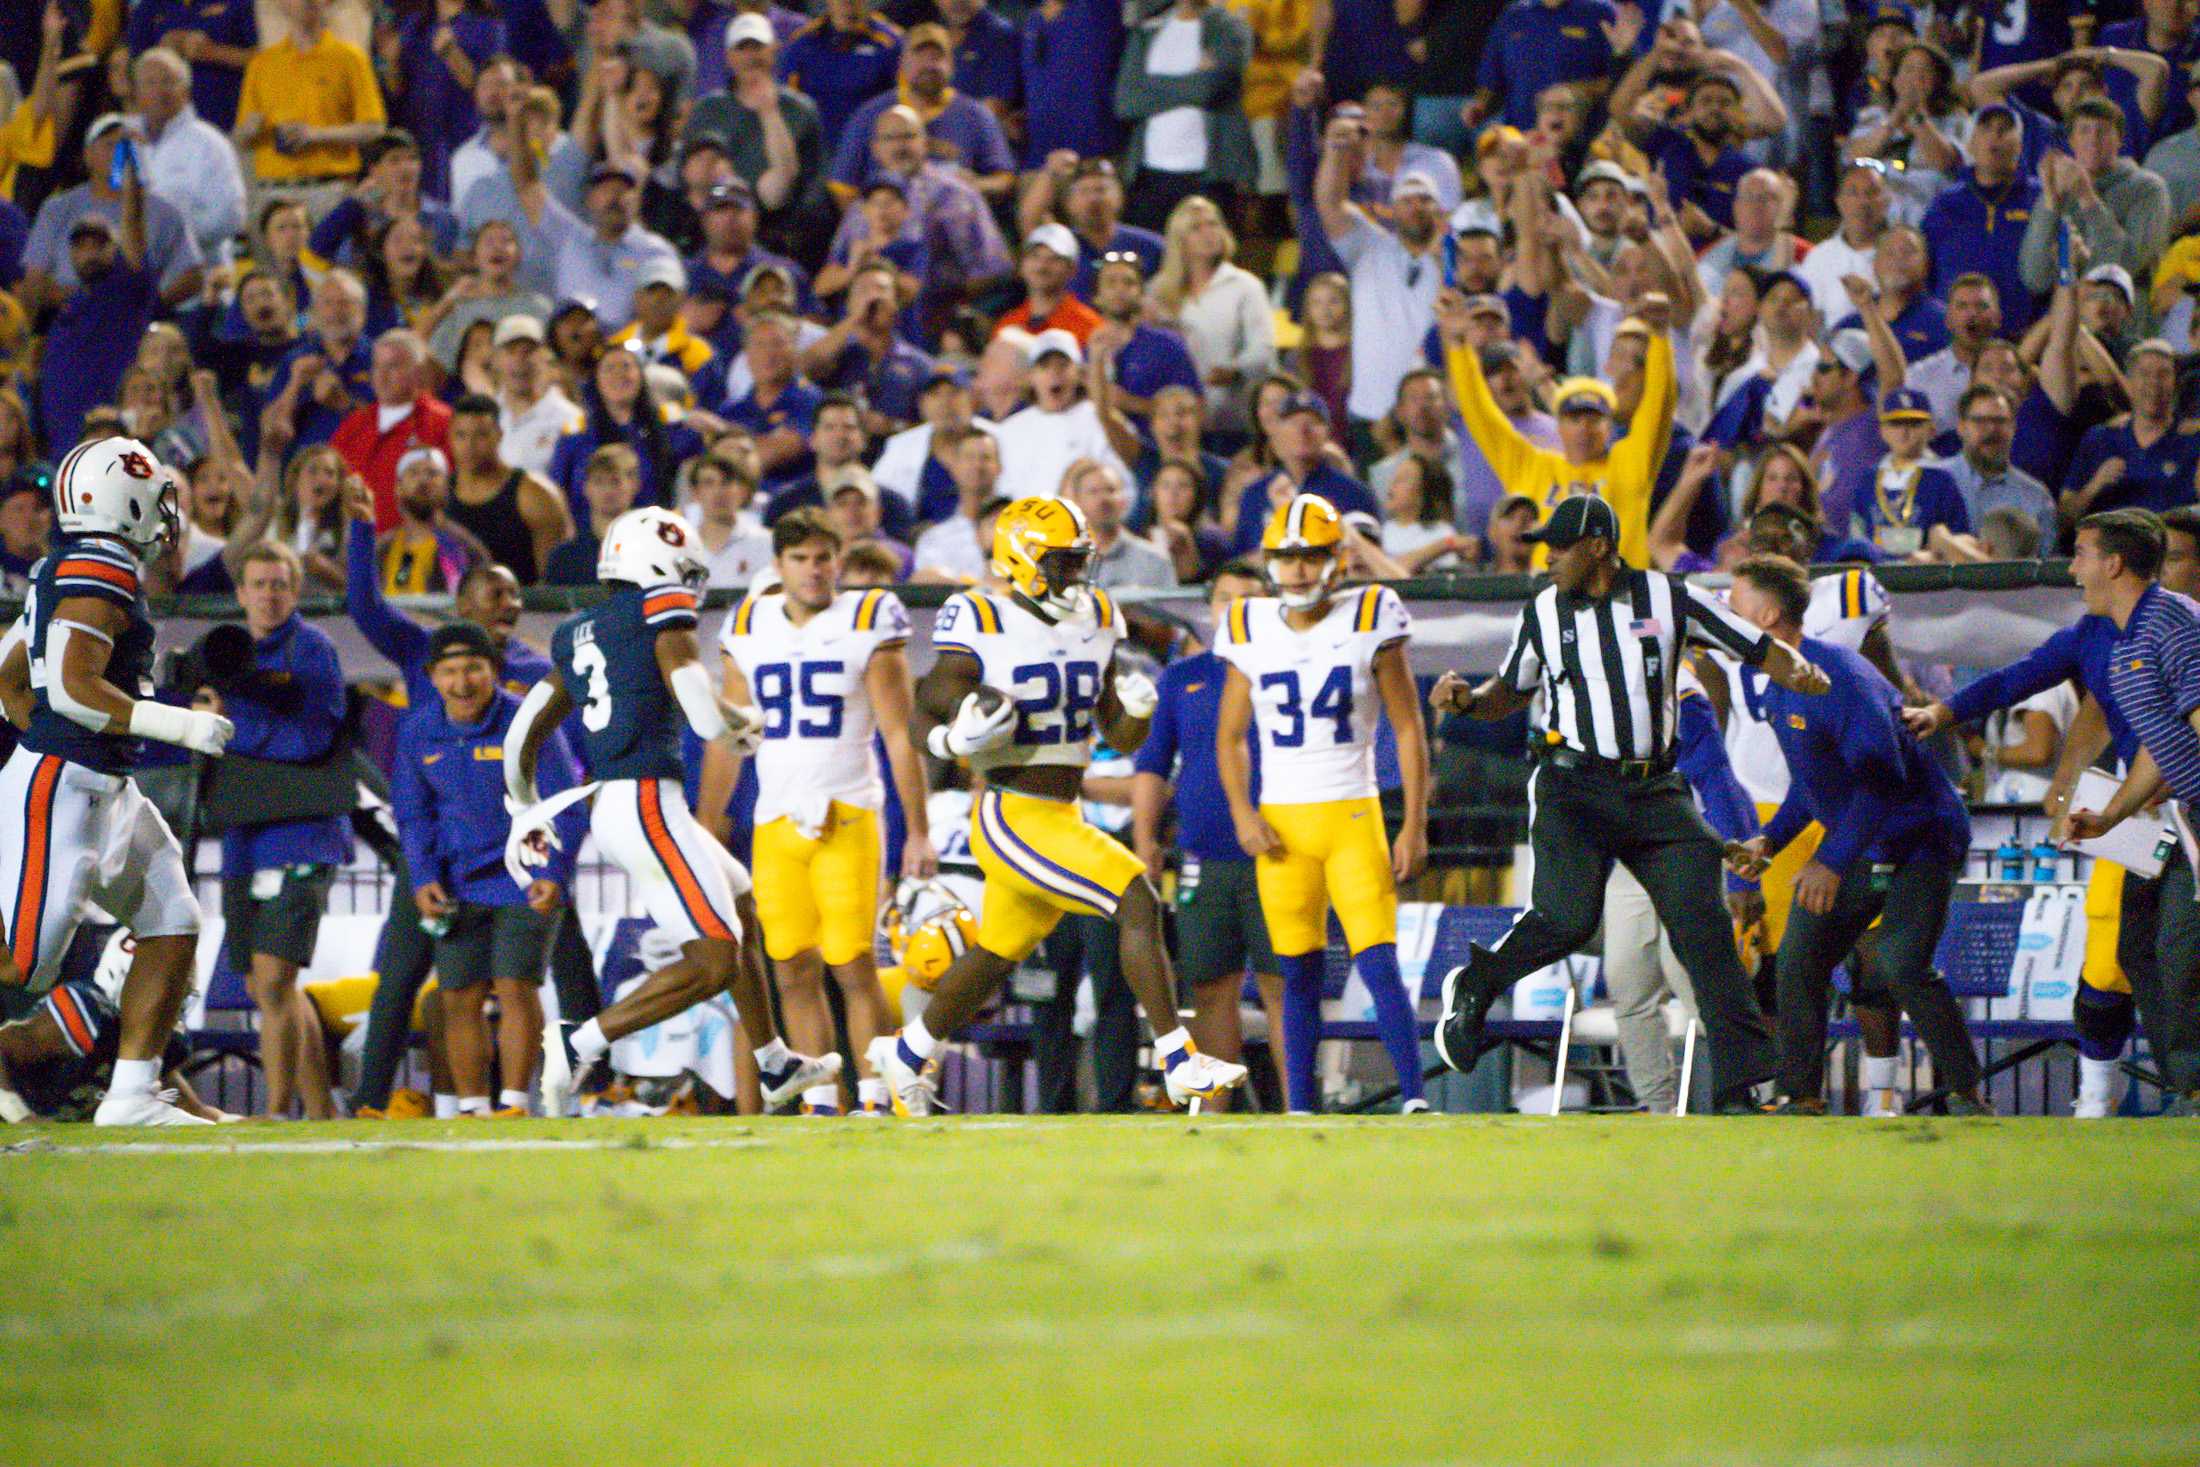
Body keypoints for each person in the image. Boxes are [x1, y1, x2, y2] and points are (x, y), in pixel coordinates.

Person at [1427, 494, 1826, 1112]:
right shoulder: (1541, 611)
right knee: (1568, 917)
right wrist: (1466, 703)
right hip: (1572, 785)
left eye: (1561, 546)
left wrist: (1795, 668)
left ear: (1598, 547)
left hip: (1654, 789)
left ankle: (1741, 1089)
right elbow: (1509, 690)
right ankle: (1477, 984)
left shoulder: (1670, 598)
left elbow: (1749, 641)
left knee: (1706, 932)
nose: (1550, 557)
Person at [865, 498, 1249, 1114]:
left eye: (1079, 561)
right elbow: (925, 709)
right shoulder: (980, 613)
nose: (1075, 575)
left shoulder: (1096, 613)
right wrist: (953, 740)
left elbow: (1116, 737)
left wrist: (1139, 713)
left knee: (995, 953)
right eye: (1061, 563)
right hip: (1011, 811)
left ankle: (908, 1052)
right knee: (1134, 899)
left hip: (1062, 811)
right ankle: (1179, 1060)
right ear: (1020, 562)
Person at [506, 505, 840, 1116]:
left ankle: (772, 1062)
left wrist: (522, 806)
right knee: (714, 958)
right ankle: (581, 1041)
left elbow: (523, 730)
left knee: (739, 900)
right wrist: (741, 727)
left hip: (621, 802)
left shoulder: (580, 631)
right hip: (645, 802)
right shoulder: (663, 616)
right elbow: (704, 714)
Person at [0, 440, 236, 1125]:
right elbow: (73, 688)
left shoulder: (65, 566)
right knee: (21, 966)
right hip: (66, 784)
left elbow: (10, 671)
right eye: (158, 495)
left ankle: (132, 1094)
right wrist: (178, 725)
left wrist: (38, 726)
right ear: (121, 497)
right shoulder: (100, 564)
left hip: (104, 783)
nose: (168, 510)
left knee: (173, 919)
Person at [1716, 555, 1987, 1115]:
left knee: (1898, 964)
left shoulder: (1840, 680)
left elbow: (1881, 782)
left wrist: (1832, 859)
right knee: (1798, 960)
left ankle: (1965, 1094)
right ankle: (1804, 1099)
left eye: (1733, 601)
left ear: (1765, 617)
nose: (1722, 609)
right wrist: (1772, 840)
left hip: (1922, 839)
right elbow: (1814, 783)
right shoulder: (1774, 680)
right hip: (1863, 840)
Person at [702, 511, 935, 1115]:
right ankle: (824, 1101)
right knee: (789, 967)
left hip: (848, 810)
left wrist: (920, 830)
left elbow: (897, 732)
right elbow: (728, 732)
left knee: (853, 963)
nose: (815, 569)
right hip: (775, 818)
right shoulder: (749, 624)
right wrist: (709, 823)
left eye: (824, 557)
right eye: (802, 558)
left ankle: (878, 1098)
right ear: (777, 565)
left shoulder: (868, 617)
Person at [1213, 495, 1432, 1114]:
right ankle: (1300, 1107)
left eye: (1310, 556)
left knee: (1379, 958)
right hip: (1282, 822)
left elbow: (1408, 727)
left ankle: (1414, 1098)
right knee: (1295, 971)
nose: (1299, 571)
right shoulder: (1247, 622)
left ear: (1336, 559)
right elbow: (1228, 736)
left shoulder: (1372, 611)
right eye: (1286, 558)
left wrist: (1413, 822)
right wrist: (1242, 814)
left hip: (1352, 813)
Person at [393, 623, 585, 1119]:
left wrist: (553, 869)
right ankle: (475, 1109)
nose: (463, 682)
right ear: (432, 677)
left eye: (473, 668)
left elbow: (565, 803)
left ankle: (515, 1105)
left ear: (494, 672)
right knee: (457, 995)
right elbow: (413, 813)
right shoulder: (417, 730)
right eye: (450, 671)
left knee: (516, 984)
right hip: (457, 882)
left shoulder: (529, 721)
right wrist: (422, 876)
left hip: (525, 878)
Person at [1130, 561, 1285, 1109]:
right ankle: (1217, 1112)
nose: (1238, 609)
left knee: (1281, 986)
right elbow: (1152, 763)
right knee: (1210, 987)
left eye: (1252, 598)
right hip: (1201, 854)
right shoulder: (1181, 678)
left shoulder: (1291, 668)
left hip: (1279, 851)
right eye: (1227, 598)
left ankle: (1301, 1108)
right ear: (1210, 608)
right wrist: (1145, 837)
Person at [2061, 509, 2200, 1116]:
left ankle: (2192, 1092)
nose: (2072, 569)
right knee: (2141, 944)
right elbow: (2160, 744)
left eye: (2081, 555)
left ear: (2113, 564)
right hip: (2182, 822)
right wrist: (2113, 815)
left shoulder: (2173, 625)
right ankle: (2185, 1087)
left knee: (2181, 949)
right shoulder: (2128, 643)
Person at [210, 541, 348, 1120]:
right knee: (267, 987)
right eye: (258, 584)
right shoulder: (221, 653)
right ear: (240, 594)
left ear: (295, 591)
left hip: (303, 836)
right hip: (243, 834)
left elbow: (314, 738)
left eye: (279, 584)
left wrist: (226, 728)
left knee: (272, 982)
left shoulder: (314, 650)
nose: (269, 595)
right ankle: (320, 1117)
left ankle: (273, 1112)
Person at [1440, 287, 1674, 567]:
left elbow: (1658, 406)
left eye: (1594, 419)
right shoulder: (1532, 467)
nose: (1584, 428)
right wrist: (1457, 347)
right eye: (1574, 419)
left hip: (1620, 599)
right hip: (1550, 599)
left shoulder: (1630, 461)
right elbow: (1481, 415)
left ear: (1609, 428)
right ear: (1558, 426)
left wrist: (1660, 338)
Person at [0, 932, 230, 1124]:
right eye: (169, 985)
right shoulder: (85, 1014)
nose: (175, 993)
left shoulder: (166, 1043)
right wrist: (20, 1117)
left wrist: (231, 1122)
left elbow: (187, 1108)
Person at [1112, 0, 1257, 229]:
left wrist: (1148, 85)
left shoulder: (1229, 28)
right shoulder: (1148, 30)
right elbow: (1127, 102)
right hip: (1150, 174)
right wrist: (1194, 79)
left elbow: (1207, 90)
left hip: (1211, 174)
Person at [233, 0, 387, 201]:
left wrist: (315, 135)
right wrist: (249, 131)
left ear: (327, 5)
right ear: (283, 5)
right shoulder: (262, 64)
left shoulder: (350, 59)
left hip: (331, 189)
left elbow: (374, 127)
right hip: (275, 193)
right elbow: (242, 137)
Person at [330, 330, 455, 532]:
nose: (381, 375)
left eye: (393, 366)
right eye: (377, 366)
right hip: (358, 548)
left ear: (419, 372)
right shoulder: (354, 425)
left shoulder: (443, 424)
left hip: (416, 549)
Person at [129, 48, 248, 258]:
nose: (159, 91)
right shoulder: (123, 142)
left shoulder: (210, 143)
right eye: (149, 83)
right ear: (136, 92)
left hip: (200, 273)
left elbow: (231, 216)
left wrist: (169, 237)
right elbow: (109, 198)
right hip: (136, 273)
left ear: (186, 90)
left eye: (168, 81)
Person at [991, 329, 1133, 502]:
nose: (1054, 373)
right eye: (1044, 366)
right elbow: (1001, 492)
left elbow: (1123, 487)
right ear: (1030, 377)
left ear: (1079, 374)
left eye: (1063, 365)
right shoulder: (1008, 430)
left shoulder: (1100, 420)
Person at [1859, 387, 1973, 559]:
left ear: (1931, 430)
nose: (1904, 432)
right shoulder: (1868, 479)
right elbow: (1857, 536)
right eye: (1895, 424)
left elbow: (1959, 538)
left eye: (1914, 424)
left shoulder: (1943, 479)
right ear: (1882, 431)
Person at [1064, 457, 1175, 588]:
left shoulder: (1155, 561)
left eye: (1110, 490)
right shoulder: (1062, 564)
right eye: (1093, 492)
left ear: (1124, 500)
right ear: (1077, 502)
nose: (1103, 499)